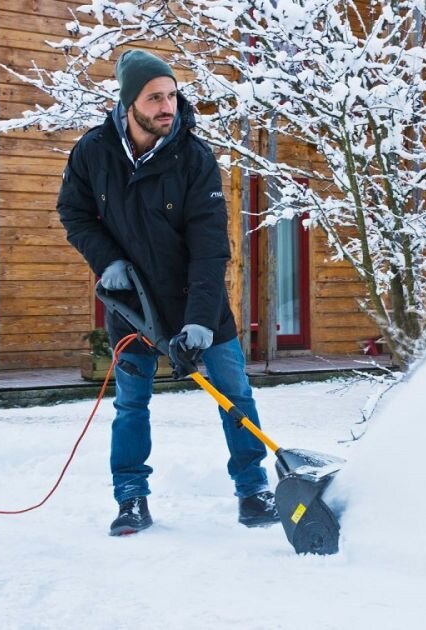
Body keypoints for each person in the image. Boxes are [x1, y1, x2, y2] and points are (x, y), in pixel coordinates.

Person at [56, 50, 278, 536]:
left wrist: (199, 319)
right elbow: (74, 213)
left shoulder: (194, 159)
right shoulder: (93, 152)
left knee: (235, 396)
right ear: (128, 102)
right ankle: (131, 498)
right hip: (133, 308)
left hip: (200, 305)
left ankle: (254, 488)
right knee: (131, 405)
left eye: (172, 95)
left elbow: (210, 245)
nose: (167, 107)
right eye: (154, 97)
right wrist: (107, 260)